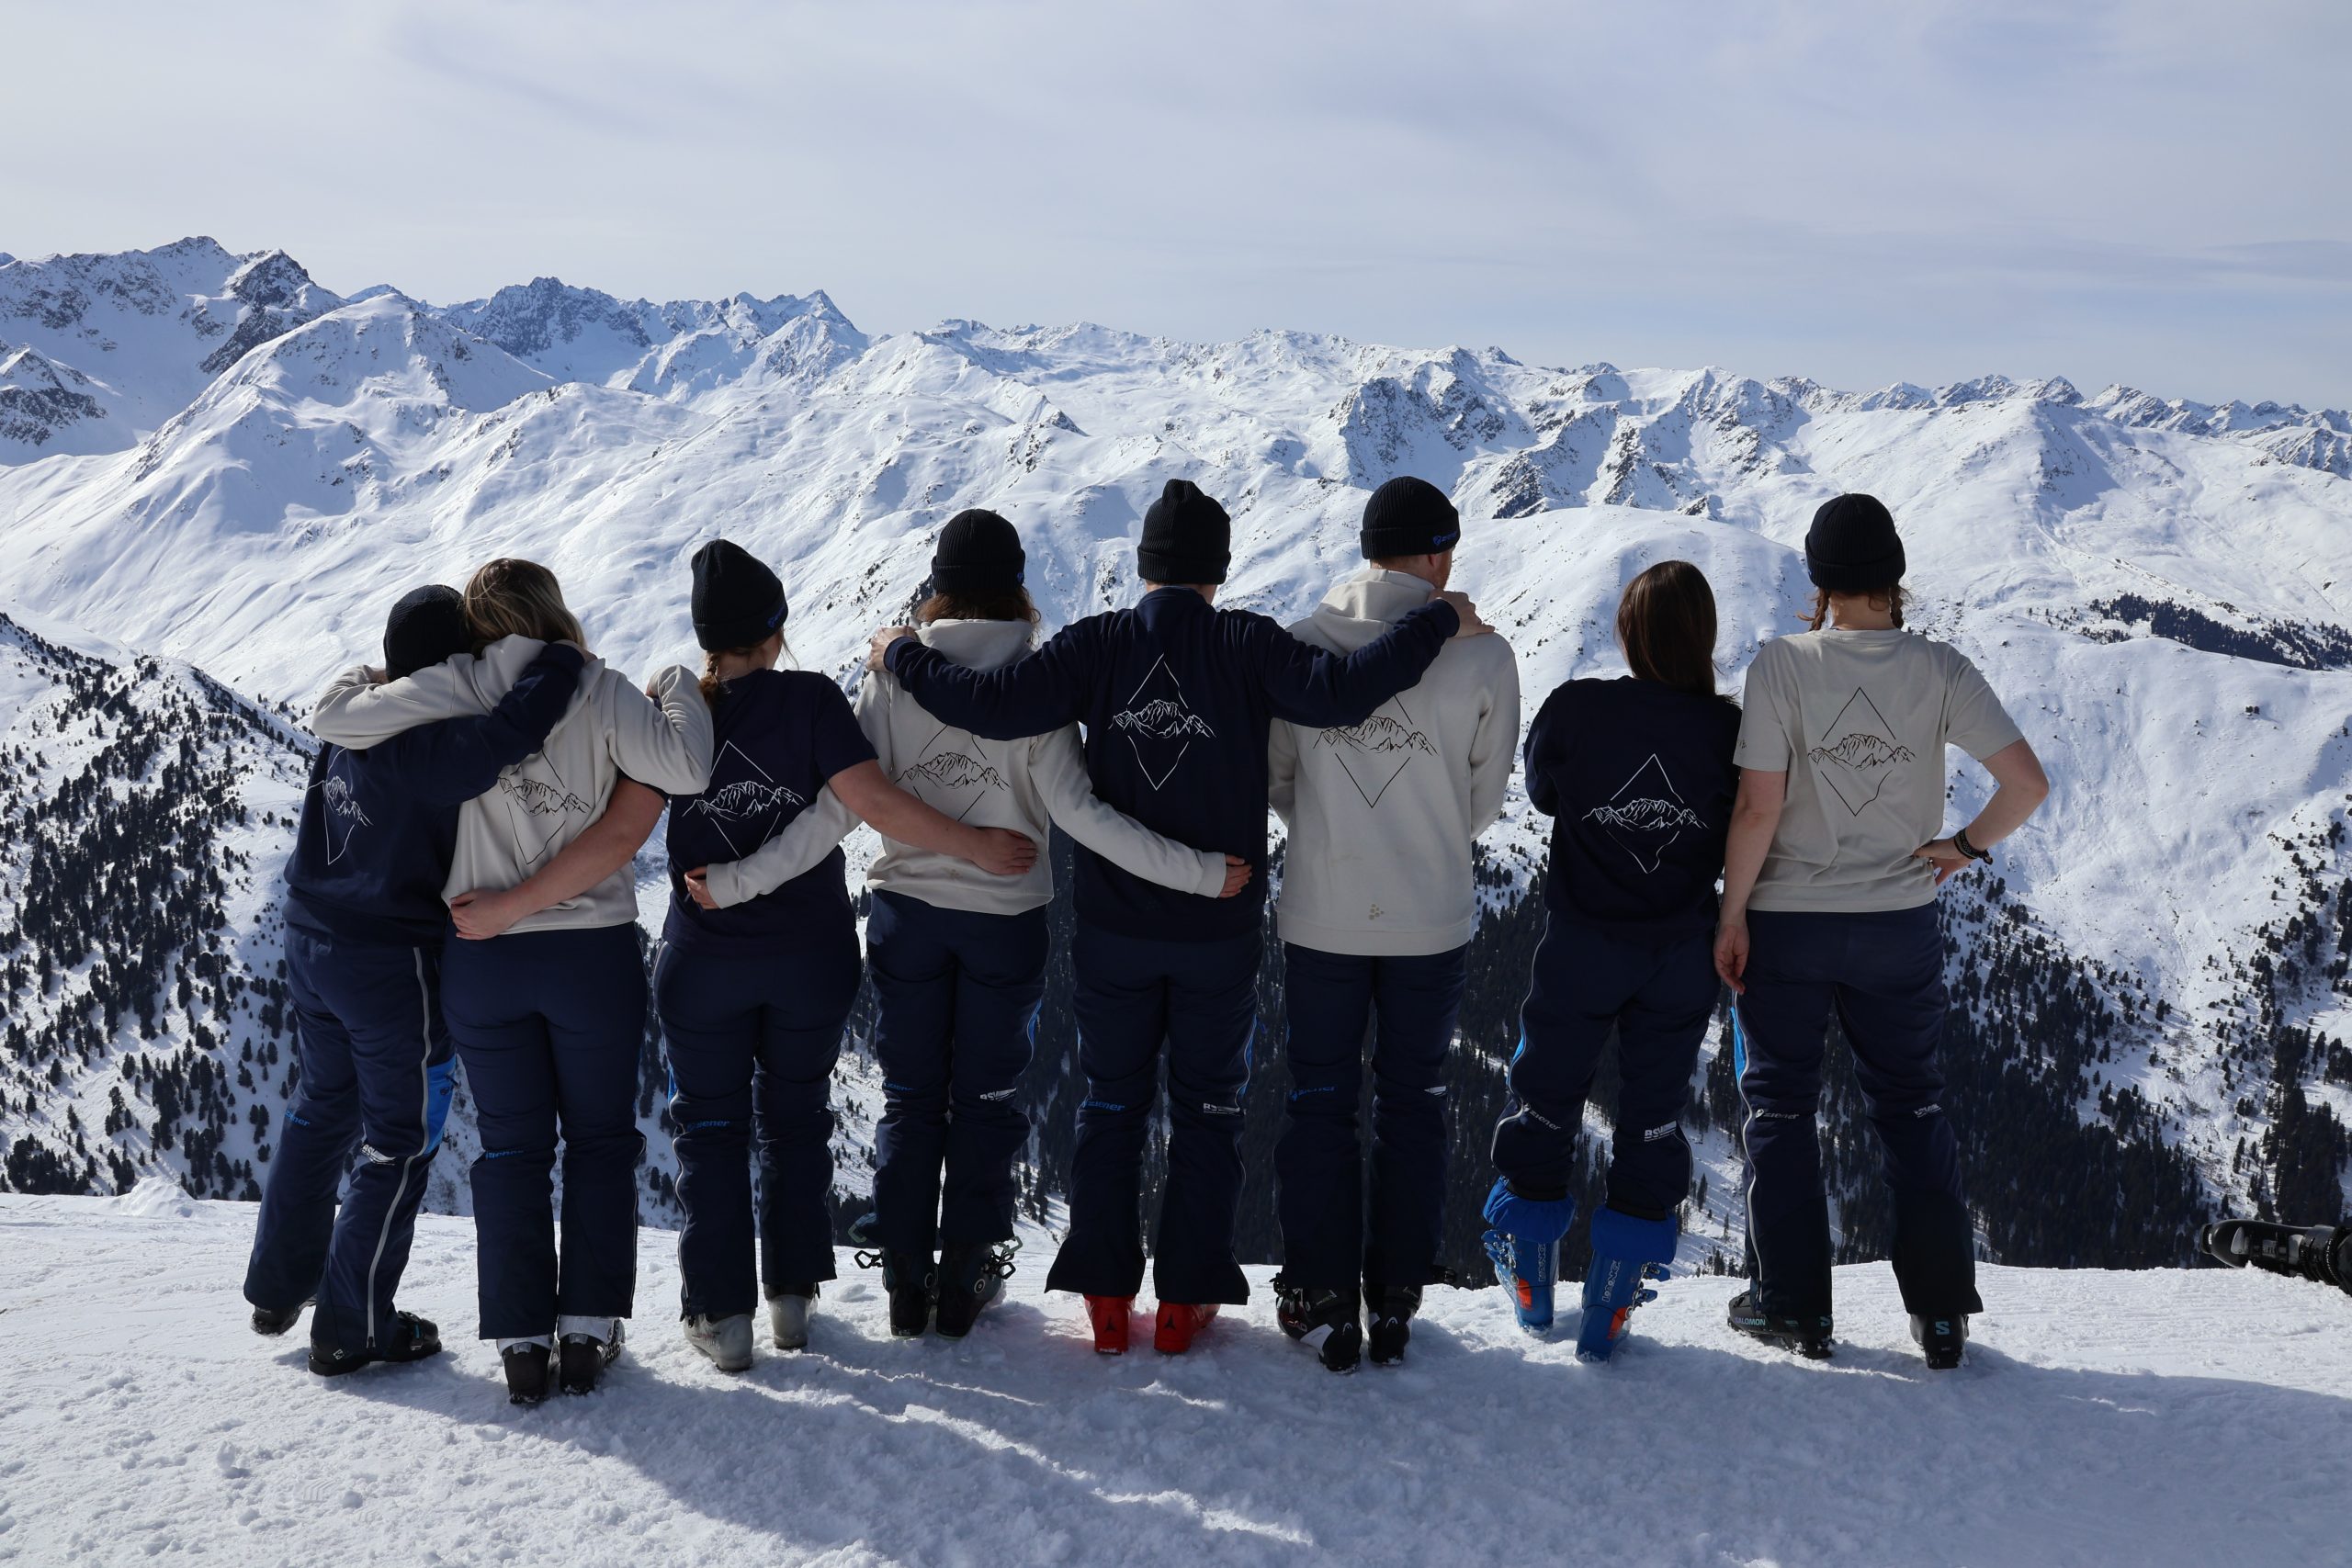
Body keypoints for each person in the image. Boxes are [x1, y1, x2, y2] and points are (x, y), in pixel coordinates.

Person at [867, 478, 1490, 1356]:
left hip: (1115, 932)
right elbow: (1347, 692)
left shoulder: (1100, 644)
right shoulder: (1246, 644)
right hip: (1218, 927)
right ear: (1219, 570)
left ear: (1144, 567)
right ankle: (1189, 1298)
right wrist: (1435, 621)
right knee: (1207, 1111)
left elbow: (991, 706)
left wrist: (902, 655)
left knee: (1110, 1105)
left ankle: (1108, 1299)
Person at [693, 513, 1250, 1346]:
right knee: (986, 1100)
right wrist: (1200, 872)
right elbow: (1083, 815)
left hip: (906, 918)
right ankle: (969, 1274)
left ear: (939, 583)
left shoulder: (888, 677)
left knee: (911, 1098)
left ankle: (904, 1278)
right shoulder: (1034, 684)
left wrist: (740, 882)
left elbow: (838, 810)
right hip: (1005, 924)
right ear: (1016, 585)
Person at [308, 558, 714, 1404]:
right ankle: (587, 1328)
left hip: (482, 956)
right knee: (600, 1140)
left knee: (512, 1146)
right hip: (590, 954)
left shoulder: (453, 681)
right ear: (554, 610)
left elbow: (338, 716)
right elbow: (686, 766)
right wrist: (675, 679)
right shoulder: (599, 687)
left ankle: (522, 1338)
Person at [647, 537, 1043, 1373]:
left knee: (710, 1132)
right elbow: (867, 803)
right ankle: (791, 1299)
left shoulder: (675, 712)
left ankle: (721, 1316)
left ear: (704, 636)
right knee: (796, 1120)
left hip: (704, 958)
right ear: (778, 626)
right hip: (809, 956)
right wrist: (974, 844)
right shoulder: (814, 701)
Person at [1713, 493, 2049, 1371]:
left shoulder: (1782, 665)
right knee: (1913, 1106)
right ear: (1894, 577)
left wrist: (1732, 911)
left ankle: (1792, 1306)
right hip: (1899, 923)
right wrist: (1964, 846)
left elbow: (1756, 808)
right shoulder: (1939, 668)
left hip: (1788, 924)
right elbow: (2026, 784)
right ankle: (1940, 1314)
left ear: (1819, 580)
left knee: (1781, 1107)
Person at [243, 587, 583, 1377]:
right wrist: (561, 660)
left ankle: (278, 1283)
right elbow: (508, 734)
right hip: (388, 963)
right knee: (399, 1141)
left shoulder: (353, 715)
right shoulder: (429, 745)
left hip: (310, 938)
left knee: (322, 1104)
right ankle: (352, 1325)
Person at [1263, 477, 1520, 1372]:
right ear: (1440, 556)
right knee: (1413, 1102)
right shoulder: (1485, 658)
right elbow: (1482, 800)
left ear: (1366, 550)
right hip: (1430, 912)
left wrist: (1338, 823)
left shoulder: (1303, 643)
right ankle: (1397, 1295)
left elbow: (1279, 782)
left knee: (1319, 1100)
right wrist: (1426, 826)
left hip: (1323, 908)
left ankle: (1317, 1290)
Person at [1480, 559, 1739, 1361]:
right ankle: (1616, 1295)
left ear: (1629, 635)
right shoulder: (1730, 732)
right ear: (1704, 637)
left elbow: (1545, 791)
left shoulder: (1579, 709)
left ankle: (1529, 1268)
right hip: (1678, 952)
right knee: (1654, 1112)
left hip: (1583, 941)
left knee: (1547, 1090)